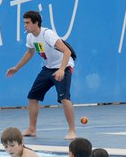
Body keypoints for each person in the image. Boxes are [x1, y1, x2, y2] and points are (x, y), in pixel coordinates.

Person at [6, 10, 78, 140]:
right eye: (24, 23)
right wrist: (17, 67)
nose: (25, 25)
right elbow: (30, 52)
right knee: (32, 96)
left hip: (64, 67)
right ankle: (32, 129)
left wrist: (62, 69)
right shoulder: (30, 37)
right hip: (48, 69)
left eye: (27, 23)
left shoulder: (47, 34)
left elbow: (67, 51)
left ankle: (72, 131)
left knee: (64, 98)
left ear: (36, 23)